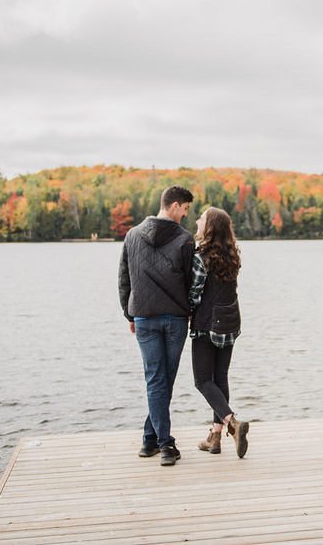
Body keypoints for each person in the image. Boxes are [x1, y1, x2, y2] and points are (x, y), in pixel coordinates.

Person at [118, 185, 195, 466]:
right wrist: (192, 311)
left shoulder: (132, 235)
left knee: (157, 380)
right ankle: (165, 444)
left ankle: (150, 439)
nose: (185, 216)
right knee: (164, 380)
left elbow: (123, 279)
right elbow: (191, 282)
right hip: (175, 319)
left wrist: (129, 315)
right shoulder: (185, 239)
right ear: (174, 205)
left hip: (145, 318)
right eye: (185, 210)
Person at [188, 206, 250, 458]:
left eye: (201, 219)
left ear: (210, 227)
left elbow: (194, 294)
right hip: (229, 323)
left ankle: (232, 422)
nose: (197, 221)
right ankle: (214, 438)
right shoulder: (233, 255)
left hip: (206, 325)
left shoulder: (201, 257)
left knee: (202, 380)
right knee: (220, 377)